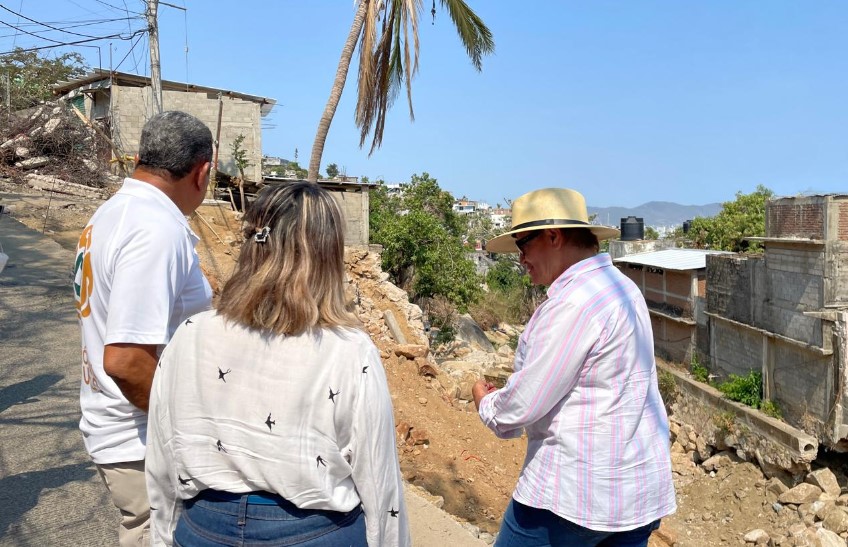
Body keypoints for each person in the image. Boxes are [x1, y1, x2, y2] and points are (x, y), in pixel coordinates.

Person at [145, 182, 411, 547]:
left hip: (204, 527)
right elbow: (379, 482)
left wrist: (163, 537)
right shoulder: (348, 351)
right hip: (313, 533)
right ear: (327, 255)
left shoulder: (191, 335)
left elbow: (163, 456)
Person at [473, 188, 676, 547]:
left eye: (523, 245)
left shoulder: (572, 302)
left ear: (553, 236)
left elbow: (524, 404)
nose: (520, 258)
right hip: (635, 497)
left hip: (571, 497)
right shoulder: (623, 289)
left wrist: (486, 404)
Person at [73, 110, 214, 547]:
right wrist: (186, 428)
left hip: (118, 426)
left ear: (139, 158)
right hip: (140, 439)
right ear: (202, 172)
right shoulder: (155, 229)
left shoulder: (113, 213)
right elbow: (127, 360)